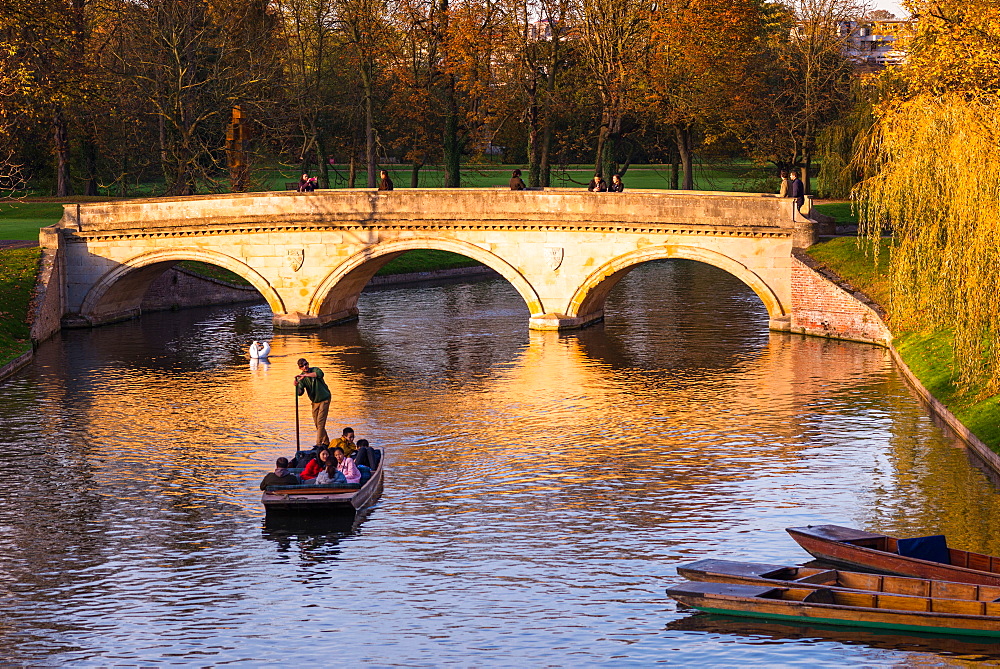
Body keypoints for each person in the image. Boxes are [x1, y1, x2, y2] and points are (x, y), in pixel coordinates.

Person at [295, 358, 332, 448]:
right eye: (302, 366)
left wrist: (307, 375)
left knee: (320, 422)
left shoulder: (315, 370)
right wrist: (297, 386)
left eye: (306, 364)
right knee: (317, 423)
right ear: (300, 368)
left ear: (308, 364)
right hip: (315, 401)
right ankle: (326, 442)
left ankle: (319, 444)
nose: (305, 367)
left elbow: (320, 374)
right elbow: (300, 393)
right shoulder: (301, 378)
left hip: (324, 398)